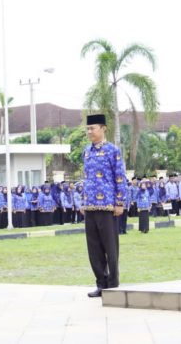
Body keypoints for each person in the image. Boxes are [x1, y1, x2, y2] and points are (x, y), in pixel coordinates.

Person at [81, 114, 127, 298]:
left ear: (103, 128)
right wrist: (83, 201)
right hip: (90, 206)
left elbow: (120, 177)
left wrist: (120, 202)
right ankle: (101, 283)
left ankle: (113, 284)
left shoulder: (112, 151)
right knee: (93, 248)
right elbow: (85, 179)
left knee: (110, 247)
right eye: (88, 129)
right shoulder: (86, 151)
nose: (89, 132)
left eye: (92, 128)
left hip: (108, 205)